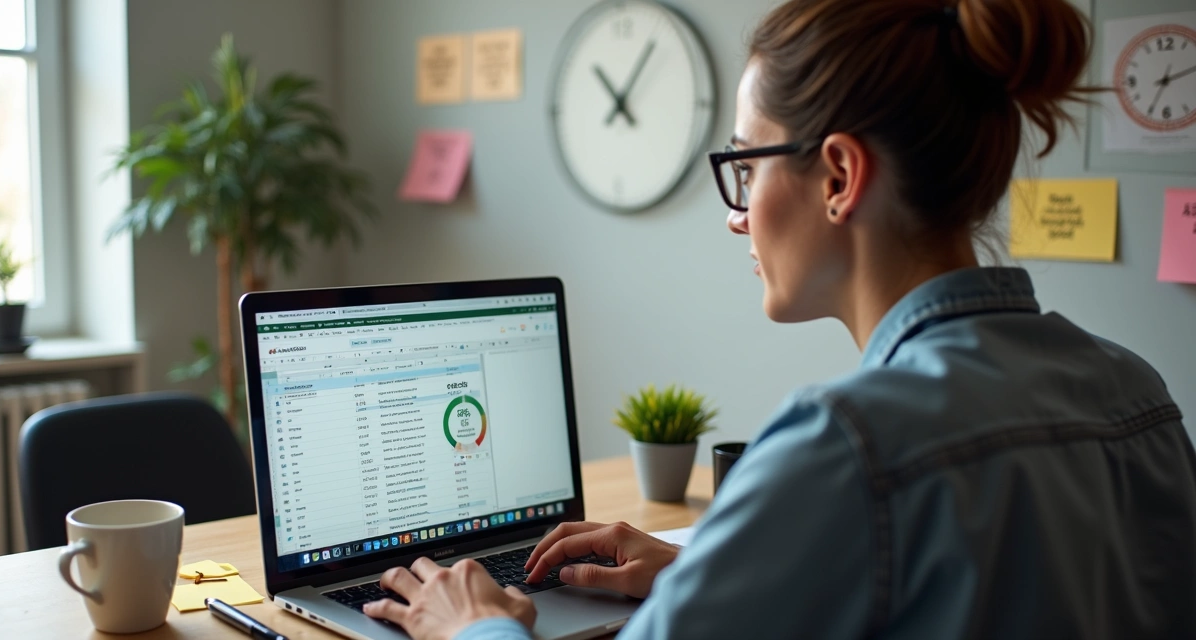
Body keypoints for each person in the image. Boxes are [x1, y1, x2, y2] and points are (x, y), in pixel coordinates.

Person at [363, 0, 1196, 637]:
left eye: (743, 165)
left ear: (838, 175)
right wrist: (703, 569)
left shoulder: (845, 445)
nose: (736, 215)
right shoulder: (1135, 392)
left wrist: (472, 622)